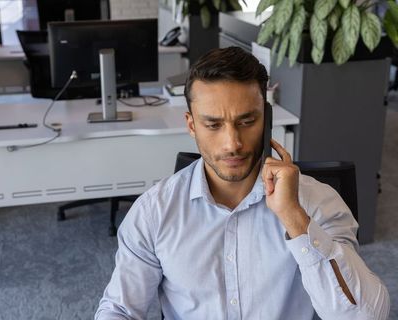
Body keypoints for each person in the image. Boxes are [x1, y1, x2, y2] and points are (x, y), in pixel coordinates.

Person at [95, 47, 390, 319]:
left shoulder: (319, 202)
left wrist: (295, 218)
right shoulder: (154, 212)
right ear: (191, 125)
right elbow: (119, 309)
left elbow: (364, 316)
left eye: (247, 121)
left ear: (267, 119)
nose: (232, 144)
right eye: (213, 125)